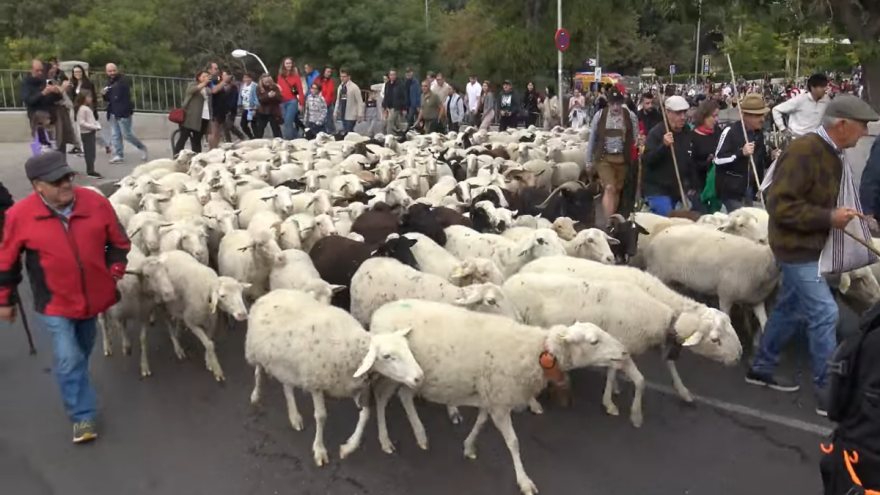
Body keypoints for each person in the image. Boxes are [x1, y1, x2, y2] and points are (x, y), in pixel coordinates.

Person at [748, 95, 880, 417]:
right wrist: (828, 218)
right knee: (825, 313)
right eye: (862, 127)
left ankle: (761, 366)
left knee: (791, 307)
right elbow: (779, 205)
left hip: (810, 244)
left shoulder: (832, 153)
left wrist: (843, 215)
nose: (864, 134)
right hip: (796, 247)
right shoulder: (805, 150)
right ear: (842, 125)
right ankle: (828, 393)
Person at [0, 151, 130, 443]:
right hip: (54, 302)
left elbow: (119, 243)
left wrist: (115, 270)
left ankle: (75, 380)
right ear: (38, 186)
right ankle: (82, 416)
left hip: (93, 298)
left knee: (82, 351)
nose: (65, 184)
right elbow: (6, 262)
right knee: (69, 357)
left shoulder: (96, 203)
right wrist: (5, 300)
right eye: (55, 181)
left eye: (67, 177)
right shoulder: (20, 216)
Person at [714, 94, 779, 212]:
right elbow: (718, 159)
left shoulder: (758, 134)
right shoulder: (731, 131)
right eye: (758, 115)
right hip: (731, 192)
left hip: (748, 190)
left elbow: (761, 160)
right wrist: (740, 153)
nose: (763, 119)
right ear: (746, 116)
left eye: (763, 115)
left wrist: (772, 157)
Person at [641, 95, 700, 216]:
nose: (683, 117)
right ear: (667, 113)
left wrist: (694, 185)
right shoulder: (656, 133)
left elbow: (690, 161)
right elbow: (646, 160)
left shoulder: (688, 132)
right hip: (657, 189)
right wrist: (663, 146)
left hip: (679, 189)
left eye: (684, 113)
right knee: (667, 218)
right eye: (678, 113)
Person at [585, 89, 639, 219]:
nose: (616, 107)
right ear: (608, 103)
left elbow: (636, 138)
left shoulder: (630, 116)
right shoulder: (600, 115)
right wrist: (588, 161)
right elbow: (592, 138)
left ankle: (613, 220)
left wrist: (639, 142)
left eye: (618, 104)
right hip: (604, 158)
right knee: (609, 188)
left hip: (622, 159)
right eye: (613, 103)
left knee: (617, 189)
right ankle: (608, 222)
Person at [103, 63, 148, 163]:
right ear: (106, 72)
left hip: (123, 113)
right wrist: (104, 94)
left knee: (127, 135)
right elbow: (108, 98)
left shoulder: (123, 80)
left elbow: (125, 94)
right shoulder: (108, 82)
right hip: (112, 112)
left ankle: (142, 148)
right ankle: (119, 155)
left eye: (114, 70)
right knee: (115, 135)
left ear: (117, 70)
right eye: (110, 71)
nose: (112, 73)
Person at [20, 60, 64, 147]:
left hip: (51, 117)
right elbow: (28, 100)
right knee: (42, 146)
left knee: (55, 144)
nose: (40, 73)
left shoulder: (46, 80)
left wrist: (57, 92)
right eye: (37, 70)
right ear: (31, 70)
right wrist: (42, 93)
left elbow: (57, 98)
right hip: (37, 118)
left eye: (41, 70)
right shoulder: (26, 83)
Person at [772, 73, 830, 139]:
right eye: (822, 86)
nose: (825, 89)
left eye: (825, 86)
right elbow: (776, 110)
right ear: (812, 87)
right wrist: (783, 129)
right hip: (797, 139)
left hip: (815, 140)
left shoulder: (827, 101)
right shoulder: (800, 100)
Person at [173, 71, 212, 155]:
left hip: (203, 116)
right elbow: (191, 91)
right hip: (191, 117)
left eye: (207, 77)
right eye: (204, 76)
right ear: (199, 77)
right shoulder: (193, 84)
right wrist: (204, 83)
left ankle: (196, 156)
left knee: (197, 139)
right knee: (184, 137)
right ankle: (177, 154)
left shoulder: (207, 87)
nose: (206, 78)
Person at [690, 100, 721, 197]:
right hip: (699, 185)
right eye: (713, 116)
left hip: (716, 184)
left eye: (717, 116)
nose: (716, 119)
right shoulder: (692, 137)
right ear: (704, 116)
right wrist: (707, 162)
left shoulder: (718, 132)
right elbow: (691, 164)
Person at [66, 65, 95, 155]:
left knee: (86, 130)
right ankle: (79, 147)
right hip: (74, 109)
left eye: (79, 72)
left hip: (84, 109)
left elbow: (91, 98)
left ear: (82, 72)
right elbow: (70, 97)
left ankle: (85, 149)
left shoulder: (88, 84)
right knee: (76, 130)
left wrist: (92, 110)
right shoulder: (73, 84)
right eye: (75, 72)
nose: (77, 74)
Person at [74, 91, 102, 178]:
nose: (91, 99)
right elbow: (81, 122)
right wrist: (94, 126)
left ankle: (91, 169)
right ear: (84, 98)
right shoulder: (83, 109)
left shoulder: (86, 108)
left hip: (89, 131)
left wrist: (96, 124)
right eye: (89, 97)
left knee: (91, 152)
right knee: (90, 152)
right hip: (87, 132)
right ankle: (90, 170)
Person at [276, 58, 304, 140]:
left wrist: (301, 104)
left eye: (290, 63)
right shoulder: (280, 76)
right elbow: (279, 88)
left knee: (288, 121)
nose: (288, 65)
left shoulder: (296, 76)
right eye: (287, 63)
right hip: (282, 101)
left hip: (292, 101)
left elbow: (300, 91)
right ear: (284, 65)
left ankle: (287, 139)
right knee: (286, 122)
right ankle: (295, 137)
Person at [333, 69, 364, 133]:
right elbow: (338, 100)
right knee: (345, 131)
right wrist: (335, 111)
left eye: (344, 76)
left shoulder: (354, 87)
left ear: (349, 77)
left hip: (351, 115)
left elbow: (359, 101)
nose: (342, 78)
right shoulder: (340, 87)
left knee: (349, 131)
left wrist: (360, 113)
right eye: (341, 76)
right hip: (343, 113)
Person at [254, 74, 283, 139]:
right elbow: (260, 99)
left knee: (276, 129)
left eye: (269, 81)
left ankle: (281, 140)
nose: (268, 83)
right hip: (263, 111)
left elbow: (280, 98)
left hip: (274, 111)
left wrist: (274, 96)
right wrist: (268, 96)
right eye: (266, 82)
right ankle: (257, 141)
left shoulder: (275, 87)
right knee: (260, 129)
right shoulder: (259, 88)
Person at [382, 69, 407, 135]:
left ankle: (389, 135)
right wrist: (384, 105)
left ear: (396, 75)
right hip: (389, 106)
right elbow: (386, 95)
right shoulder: (387, 84)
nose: (392, 76)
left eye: (393, 75)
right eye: (391, 75)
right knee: (396, 122)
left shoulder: (400, 84)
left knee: (390, 121)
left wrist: (403, 107)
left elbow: (403, 95)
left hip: (396, 107)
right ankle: (401, 134)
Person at [238, 72, 257, 139]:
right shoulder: (243, 85)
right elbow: (241, 95)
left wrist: (255, 108)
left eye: (247, 77)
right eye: (244, 78)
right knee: (243, 124)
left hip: (251, 108)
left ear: (251, 78)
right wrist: (240, 105)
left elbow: (256, 97)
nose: (245, 79)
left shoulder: (254, 86)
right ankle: (251, 136)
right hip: (245, 108)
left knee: (253, 124)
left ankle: (256, 137)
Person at [317, 67, 336, 133]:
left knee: (329, 121)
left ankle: (332, 135)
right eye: (327, 71)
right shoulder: (317, 79)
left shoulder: (330, 81)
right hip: (318, 104)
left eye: (330, 72)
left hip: (327, 104)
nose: (329, 73)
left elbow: (330, 93)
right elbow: (312, 89)